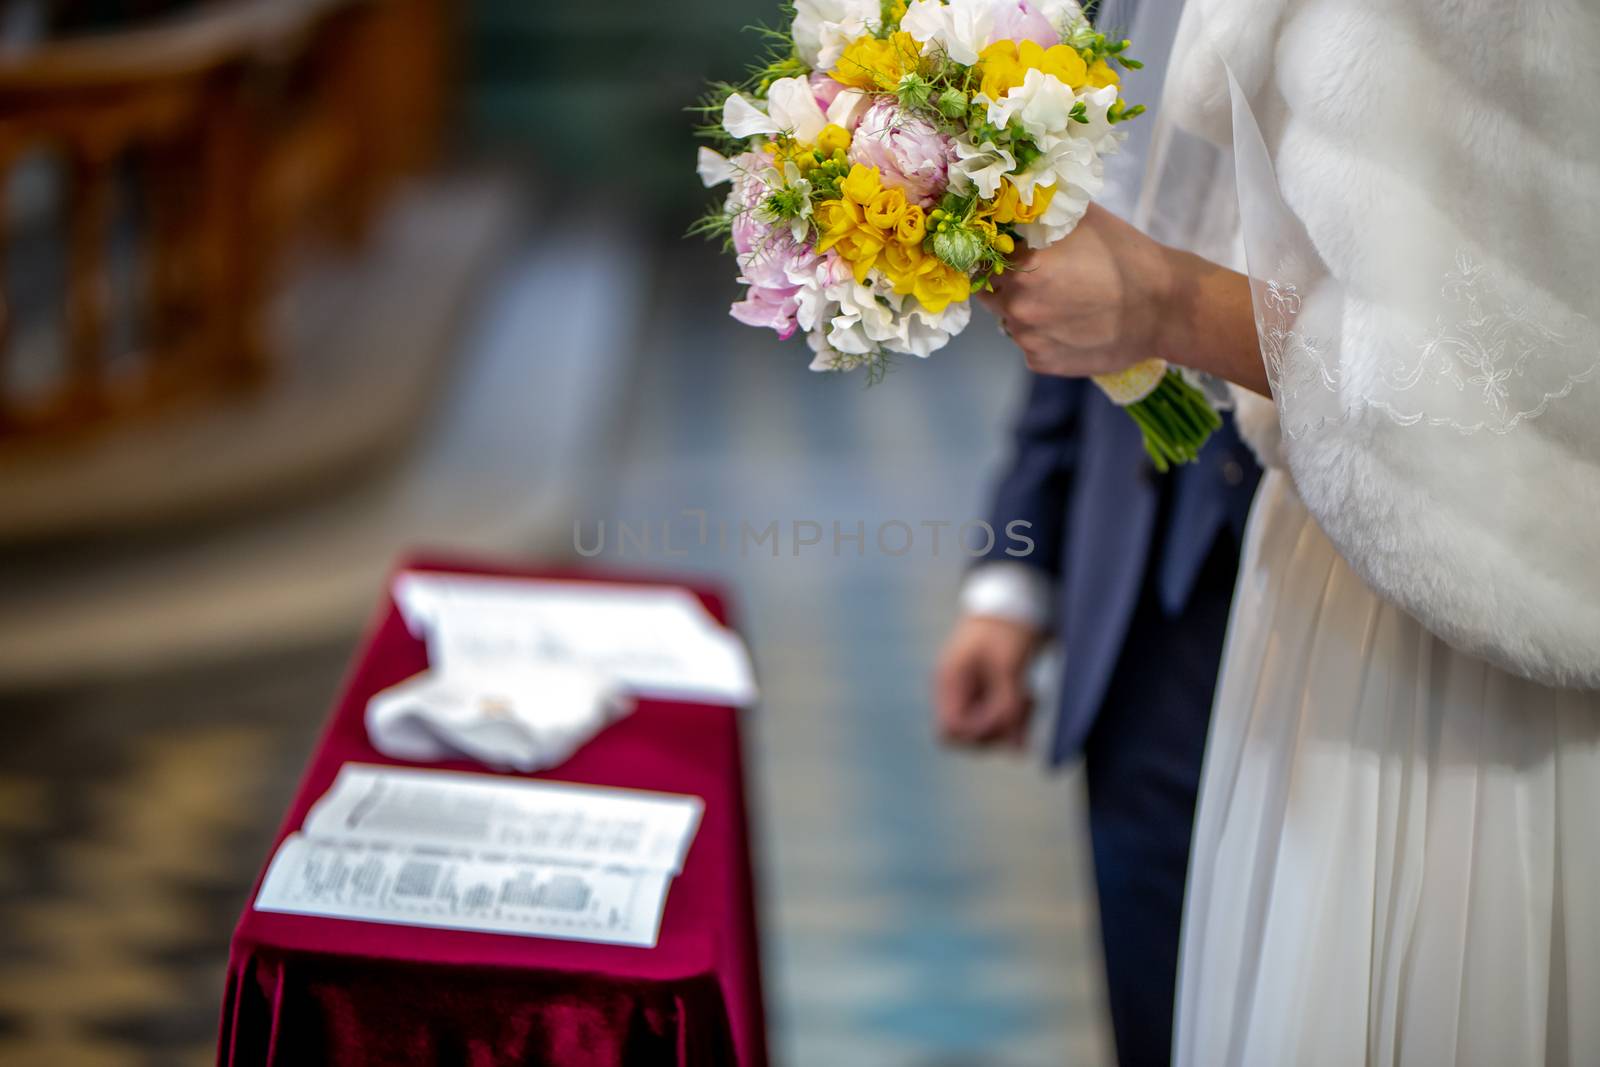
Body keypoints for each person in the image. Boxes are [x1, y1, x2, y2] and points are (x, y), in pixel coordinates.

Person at [982, 0, 1600, 1062]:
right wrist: (1012, 565)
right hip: (1270, 598)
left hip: (1466, 618)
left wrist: (1166, 303)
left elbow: (1529, 369)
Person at [931, 5, 1257, 1065]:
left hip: (1347, 599)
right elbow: (1076, 255)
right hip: (1135, 614)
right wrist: (1014, 578)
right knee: (1154, 1004)